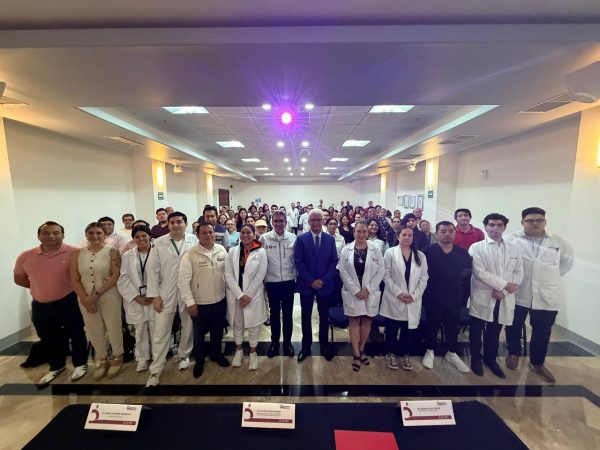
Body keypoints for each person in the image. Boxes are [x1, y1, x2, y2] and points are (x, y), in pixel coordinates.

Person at [14, 221, 88, 385]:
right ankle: (57, 365)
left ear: (63, 235)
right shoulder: (26, 256)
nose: (51, 236)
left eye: (56, 233)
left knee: (76, 333)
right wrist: (41, 288)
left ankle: (80, 364)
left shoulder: (75, 252)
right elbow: (19, 279)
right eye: (46, 233)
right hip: (40, 305)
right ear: (39, 236)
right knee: (48, 337)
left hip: (68, 301)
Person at [504, 207, 574, 383]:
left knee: (542, 331)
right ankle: (513, 353)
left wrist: (545, 279)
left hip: (546, 295)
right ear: (522, 222)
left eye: (539, 220)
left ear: (545, 221)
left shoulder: (558, 242)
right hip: (518, 292)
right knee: (512, 325)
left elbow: (565, 264)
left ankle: (537, 363)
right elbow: (503, 263)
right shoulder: (511, 240)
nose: (535, 223)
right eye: (530, 220)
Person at [145, 212, 197, 387]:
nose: (175, 225)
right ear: (168, 225)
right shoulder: (159, 243)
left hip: (187, 289)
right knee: (161, 330)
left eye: (179, 222)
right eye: (172, 222)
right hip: (165, 291)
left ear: (185, 224)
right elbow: (152, 271)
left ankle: (184, 355)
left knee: (187, 324)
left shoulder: (193, 240)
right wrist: (155, 296)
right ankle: (156, 369)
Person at [469, 213, 523, 378]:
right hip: (482, 294)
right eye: (491, 225)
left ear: (504, 227)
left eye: (499, 225)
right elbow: (479, 272)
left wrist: (504, 291)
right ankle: (475, 359)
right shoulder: (476, 247)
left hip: (503, 297)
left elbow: (518, 273)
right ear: (485, 227)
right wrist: (503, 284)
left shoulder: (514, 248)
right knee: (476, 330)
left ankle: (490, 359)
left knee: (494, 331)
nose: (495, 228)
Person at [69, 222, 124, 381]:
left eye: (99, 233)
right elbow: (74, 279)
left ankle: (117, 356)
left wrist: (96, 295)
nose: (95, 236)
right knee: (93, 328)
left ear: (104, 235)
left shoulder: (112, 252)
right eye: (91, 233)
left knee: (113, 326)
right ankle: (102, 359)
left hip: (109, 295)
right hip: (85, 297)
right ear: (86, 235)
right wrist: (86, 299)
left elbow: (115, 275)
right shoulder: (77, 254)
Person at [178, 221, 230, 378]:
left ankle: (216, 355)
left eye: (211, 232)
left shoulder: (221, 250)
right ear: (197, 235)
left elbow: (228, 274)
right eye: (204, 233)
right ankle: (199, 361)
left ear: (214, 233)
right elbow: (183, 281)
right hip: (200, 303)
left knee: (217, 331)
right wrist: (190, 303)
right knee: (199, 335)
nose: (208, 235)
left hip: (220, 300)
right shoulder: (190, 254)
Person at [421, 221, 472, 373]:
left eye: (450, 231)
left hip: (454, 295)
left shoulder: (462, 253)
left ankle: (451, 352)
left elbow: (467, 272)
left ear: (454, 233)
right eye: (443, 231)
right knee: (432, 324)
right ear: (437, 233)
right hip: (432, 294)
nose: (447, 234)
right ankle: (429, 350)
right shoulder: (427, 251)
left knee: (452, 325)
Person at [338, 220, 385, 372]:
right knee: (354, 321)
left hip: (369, 293)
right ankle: (356, 354)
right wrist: (356, 290)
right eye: (358, 231)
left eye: (364, 231)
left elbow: (381, 271)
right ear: (354, 232)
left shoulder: (375, 250)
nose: (361, 234)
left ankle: (362, 348)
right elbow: (342, 271)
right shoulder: (346, 250)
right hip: (353, 293)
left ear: (368, 232)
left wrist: (368, 289)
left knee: (366, 321)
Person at [380, 226, 429, 371]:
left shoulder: (420, 255)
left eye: (410, 235)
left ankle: (405, 354)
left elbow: (424, 278)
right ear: (398, 236)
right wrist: (398, 293)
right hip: (394, 298)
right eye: (404, 235)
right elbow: (386, 275)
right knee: (391, 329)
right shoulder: (390, 252)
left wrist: (414, 295)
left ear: (413, 238)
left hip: (412, 299)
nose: (407, 237)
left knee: (408, 331)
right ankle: (390, 354)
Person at [294, 208, 338, 362]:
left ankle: (324, 345)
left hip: (325, 285)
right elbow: (298, 262)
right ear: (308, 221)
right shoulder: (301, 239)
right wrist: (311, 281)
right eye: (313, 220)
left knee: (324, 317)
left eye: (319, 219)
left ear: (323, 221)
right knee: (306, 317)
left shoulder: (330, 239)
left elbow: (333, 261)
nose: (316, 222)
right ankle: (306, 346)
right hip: (307, 285)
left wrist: (323, 280)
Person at [225, 224, 268, 370]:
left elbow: (260, 275)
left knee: (253, 325)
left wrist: (248, 296)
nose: (245, 235)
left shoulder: (260, 252)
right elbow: (228, 274)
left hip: (253, 295)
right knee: (238, 324)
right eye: (243, 232)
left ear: (254, 234)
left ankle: (253, 353)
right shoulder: (232, 251)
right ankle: (239, 351)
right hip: (236, 295)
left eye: (248, 232)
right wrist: (240, 295)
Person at [117, 225, 155, 373]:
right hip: (136, 299)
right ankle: (142, 358)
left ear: (150, 236)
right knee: (140, 331)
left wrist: (153, 293)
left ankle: (158, 356)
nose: (141, 239)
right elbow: (123, 279)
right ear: (133, 239)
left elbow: (164, 276)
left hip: (155, 298)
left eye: (144, 235)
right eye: (137, 237)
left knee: (156, 329)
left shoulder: (158, 252)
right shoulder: (127, 256)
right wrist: (136, 297)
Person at [260, 211, 297, 358]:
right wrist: (262, 281)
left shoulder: (293, 238)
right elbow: (259, 261)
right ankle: (274, 343)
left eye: (281, 221)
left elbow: (297, 260)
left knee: (288, 314)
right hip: (272, 282)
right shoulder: (264, 238)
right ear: (271, 222)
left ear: (286, 222)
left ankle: (287, 343)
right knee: (274, 314)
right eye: (275, 221)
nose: (278, 223)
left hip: (288, 281)